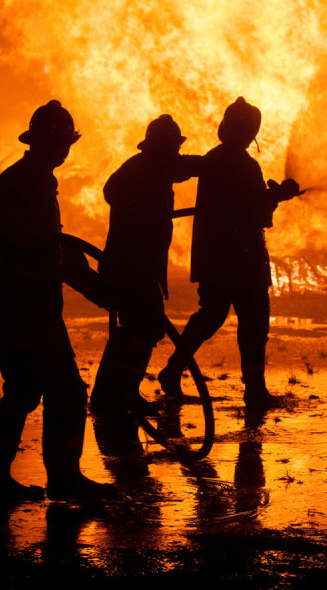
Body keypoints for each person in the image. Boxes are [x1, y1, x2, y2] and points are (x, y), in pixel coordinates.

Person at [0, 100, 114, 505]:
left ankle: (1, 482)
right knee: (61, 392)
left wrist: (96, 287)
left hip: (33, 313)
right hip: (20, 311)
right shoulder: (19, 181)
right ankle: (57, 480)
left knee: (26, 393)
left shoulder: (39, 180)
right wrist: (32, 245)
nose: (65, 150)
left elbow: (53, 247)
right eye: (62, 141)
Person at [158, 97, 300, 409]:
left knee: (210, 316)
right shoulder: (246, 165)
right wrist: (278, 195)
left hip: (214, 258)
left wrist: (271, 195)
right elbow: (258, 215)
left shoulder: (214, 159)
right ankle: (254, 390)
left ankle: (172, 369)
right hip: (242, 260)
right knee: (253, 322)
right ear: (251, 132)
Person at [88, 114, 203, 416]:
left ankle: (111, 394)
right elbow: (110, 191)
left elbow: (188, 167)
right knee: (146, 325)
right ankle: (120, 393)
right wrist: (138, 208)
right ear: (161, 148)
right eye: (173, 148)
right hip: (129, 267)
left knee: (138, 327)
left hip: (141, 267)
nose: (177, 153)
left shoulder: (158, 169)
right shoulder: (140, 170)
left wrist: (219, 164)